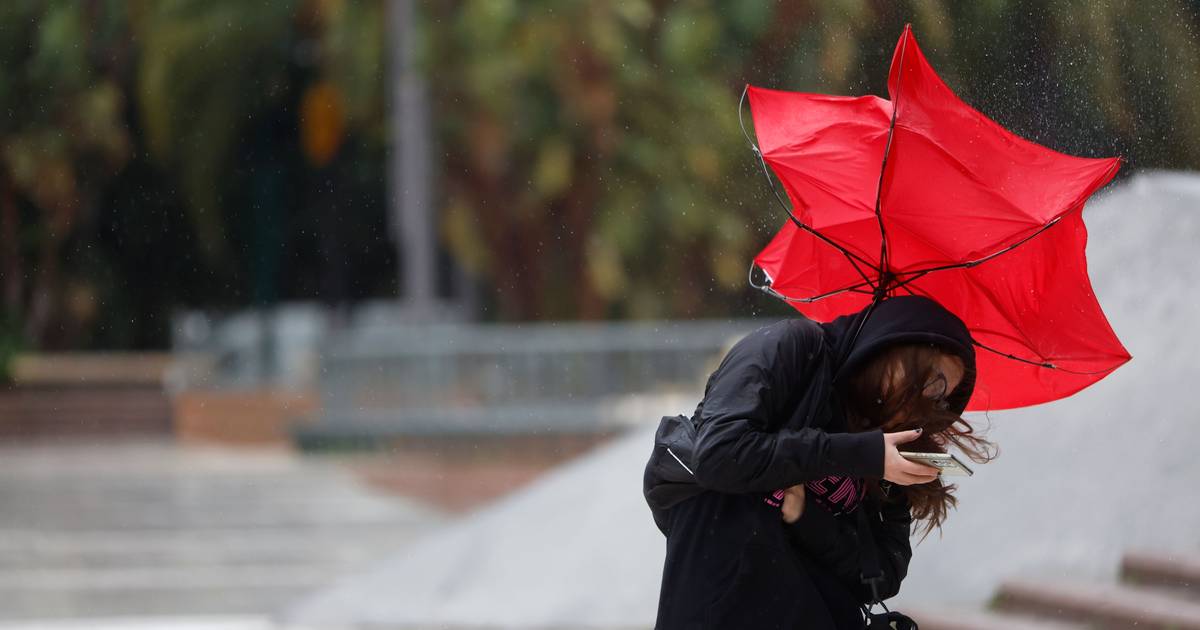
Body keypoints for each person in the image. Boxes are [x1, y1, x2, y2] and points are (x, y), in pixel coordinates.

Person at [650, 295, 996, 629]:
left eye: (943, 397)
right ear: (897, 344)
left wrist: (807, 518)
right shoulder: (792, 347)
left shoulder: (894, 440)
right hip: (722, 600)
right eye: (933, 380)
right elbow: (718, 455)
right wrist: (860, 454)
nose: (930, 399)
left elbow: (880, 576)